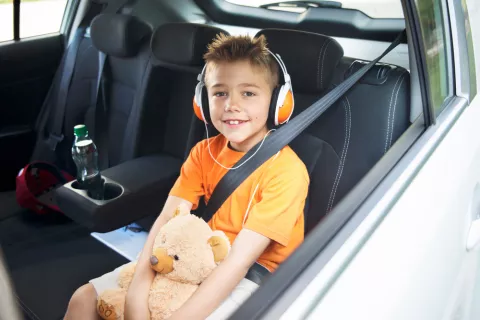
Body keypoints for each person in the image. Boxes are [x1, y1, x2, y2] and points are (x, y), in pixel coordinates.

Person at [64, 33, 309, 320]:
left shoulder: (287, 172)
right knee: (83, 299)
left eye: (248, 93)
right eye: (220, 93)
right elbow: (166, 219)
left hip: (250, 276)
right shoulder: (203, 153)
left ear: (278, 102)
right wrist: (136, 296)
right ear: (202, 102)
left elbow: (240, 262)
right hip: (194, 255)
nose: (231, 104)